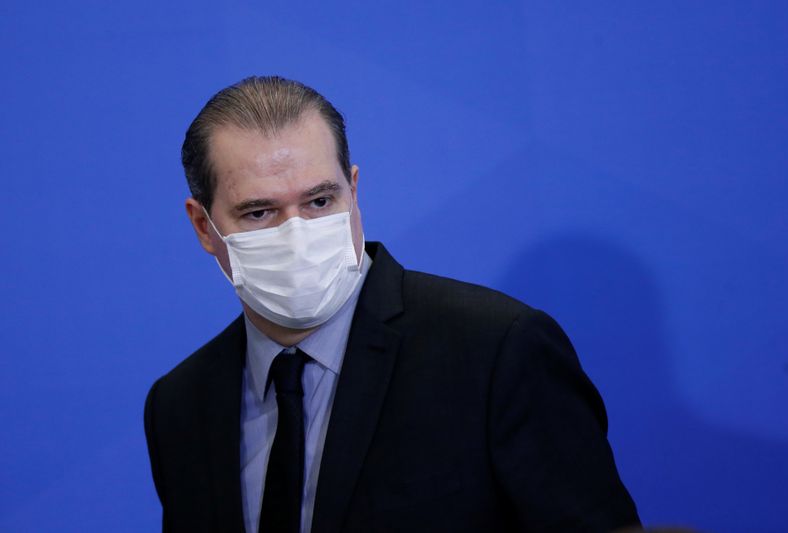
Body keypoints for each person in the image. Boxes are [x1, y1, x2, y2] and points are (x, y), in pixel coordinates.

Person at [144, 76, 640, 533]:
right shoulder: (180, 406)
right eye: (259, 211)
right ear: (204, 226)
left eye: (319, 202)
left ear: (353, 190)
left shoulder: (495, 351)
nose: (296, 234)